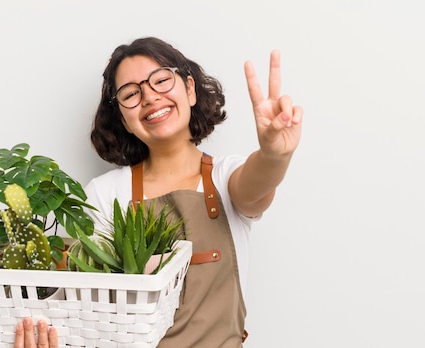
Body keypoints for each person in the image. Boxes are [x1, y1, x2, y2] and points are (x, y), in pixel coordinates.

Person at [16, 36, 303, 348]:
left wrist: (274, 155)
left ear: (190, 89)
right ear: (123, 119)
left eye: (162, 80)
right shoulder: (104, 193)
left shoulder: (225, 177)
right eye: (131, 94)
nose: (150, 97)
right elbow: (83, 305)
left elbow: (255, 186)